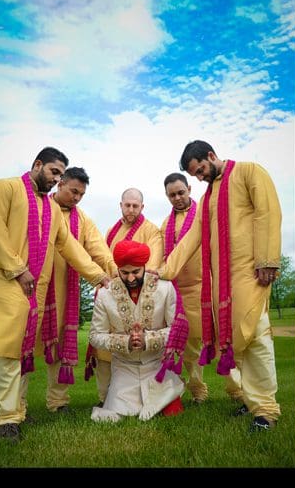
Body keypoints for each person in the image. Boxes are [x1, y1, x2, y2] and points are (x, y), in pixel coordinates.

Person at [0, 147, 111, 442]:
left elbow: (71, 247)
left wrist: (99, 276)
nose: (56, 179)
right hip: (6, 281)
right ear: (37, 164)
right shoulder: (4, 188)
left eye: (59, 175)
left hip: (34, 289)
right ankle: (6, 420)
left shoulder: (51, 210)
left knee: (21, 351)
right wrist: (17, 268)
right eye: (54, 172)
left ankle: (16, 411)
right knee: (6, 351)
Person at [160, 140, 281, 432]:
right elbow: (192, 238)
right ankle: (252, 401)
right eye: (195, 175)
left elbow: (268, 212)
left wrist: (267, 259)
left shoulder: (250, 172)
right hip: (222, 282)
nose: (199, 178)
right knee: (236, 340)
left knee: (256, 335)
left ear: (212, 156)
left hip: (251, 271)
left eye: (200, 170)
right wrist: (166, 271)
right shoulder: (209, 196)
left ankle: (266, 412)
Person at [160, 172, 243, 403]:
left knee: (221, 341)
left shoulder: (204, 213)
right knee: (189, 349)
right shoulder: (166, 224)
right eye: (171, 195)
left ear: (189, 189)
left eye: (180, 192)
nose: (177, 198)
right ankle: (198, 390)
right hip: (181, 293)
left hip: (208, 288)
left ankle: (237, 390)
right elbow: (165, 260)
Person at [90, 240, 184, 422]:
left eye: (135, 272)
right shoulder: (104, 294)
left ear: (144, 266)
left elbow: (177, 330)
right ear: (117, 269)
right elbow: (95, 336)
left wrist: (148, 340)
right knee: (115, 416)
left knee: (172, 412)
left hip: (156, 365)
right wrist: (124, 342)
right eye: (124, 273)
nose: (131, 278)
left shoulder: (165, 288)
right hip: (124, 368)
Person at [46, 167, 115, 412]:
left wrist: (114, 275)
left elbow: (99, 250)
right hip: (36, 289)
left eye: (81, 194)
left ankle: (58, 402)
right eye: (74, 191)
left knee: (61, 345)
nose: (76, 198)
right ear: (60, 183)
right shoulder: (40, 208)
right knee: (23, 347)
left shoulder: (82, 219)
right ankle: (16, 406)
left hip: (66, 292)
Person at [90, 187, 163, 405]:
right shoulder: (112, 231)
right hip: (112, 295)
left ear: (142, 207)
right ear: (120, 205)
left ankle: (146, 398)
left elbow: (152, 264)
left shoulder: (152, 231)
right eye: (127, 205)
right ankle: (105, 397)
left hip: (139, 296)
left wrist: (130, 284)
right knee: (103, 351)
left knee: (139, 346)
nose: (131, 209)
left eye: (135, 205)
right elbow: (105, 259)